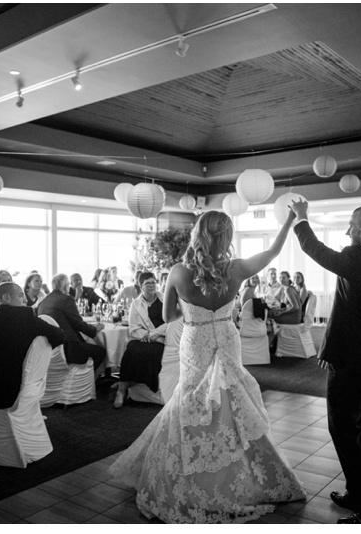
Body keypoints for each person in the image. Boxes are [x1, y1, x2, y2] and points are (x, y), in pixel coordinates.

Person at [109, 209, 305, 523]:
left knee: (190, 401)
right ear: (227, 237)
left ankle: (190, 474)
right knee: (231, 401)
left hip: (196, 339)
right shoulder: (238, 268)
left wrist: (193, 312)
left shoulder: (178, 271)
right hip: (227, 335)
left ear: (197, 234)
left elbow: (167, 316)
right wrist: (290, 220)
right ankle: (244, 475)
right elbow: (273, 251)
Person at [290, 200, 361, 524]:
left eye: (351, 225)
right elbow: (355, 310)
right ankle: (357, 493)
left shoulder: (357, 258)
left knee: (343, 429)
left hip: (351, 358)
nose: (347, 230)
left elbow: (316, 250)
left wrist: (301, 219)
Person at [0, 282, 66, 409]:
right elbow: (60, 336)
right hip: (17, 389)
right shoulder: (26, 318)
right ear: (7, 298)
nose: (25, 300)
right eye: (20, 296)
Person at [37, 274, 107, 381]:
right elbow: (78, 323)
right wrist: (95, 329)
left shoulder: (43, 302)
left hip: (50, 348)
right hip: (69, 348)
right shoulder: (66, 299)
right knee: (101, 352)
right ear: (66, 286)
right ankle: (89, 382)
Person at [113, 272, 167, 409]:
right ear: (140, 286)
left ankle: (129, 384)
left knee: (154, 353)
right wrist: (149, 335)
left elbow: (171, 321)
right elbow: (133, 329)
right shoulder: (135, 304)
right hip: (142, 338)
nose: (151, 286)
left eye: (153, 282)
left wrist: (157, 333)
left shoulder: (164, 300)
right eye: (147, 283)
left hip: (162, 338)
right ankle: (121, 390)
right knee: (131, 350)